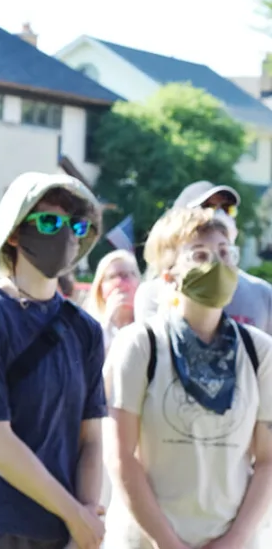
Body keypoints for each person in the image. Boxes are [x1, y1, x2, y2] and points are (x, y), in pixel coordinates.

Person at [0, 172, 106, 549]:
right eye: (48, 221)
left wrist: (87, 514)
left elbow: (91, 439)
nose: (65, 235)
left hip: (63, 532)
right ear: (14, 233)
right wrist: (75, 514)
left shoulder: (86, 330)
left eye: (76, 225)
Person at [103, 207, 272, 548]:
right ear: (168, 275)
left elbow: (268, 459)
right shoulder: (139, 345)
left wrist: (234, 540)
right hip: (146, 541)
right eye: (200, 254)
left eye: (225, 252)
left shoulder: (260, 352)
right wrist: (168, 543)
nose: (217, 264)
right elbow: (121, 457)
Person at [135, 181, 272, 333]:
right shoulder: (153, 294)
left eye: (228, 209)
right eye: (208, 207)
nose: (219, 215)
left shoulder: (262, 295)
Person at [86, 249, 140, 351]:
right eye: (112, 277)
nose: (120, 283)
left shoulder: (148, 321)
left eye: (126, 276)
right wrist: (108, 322)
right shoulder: (90, 326)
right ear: (100, 287)